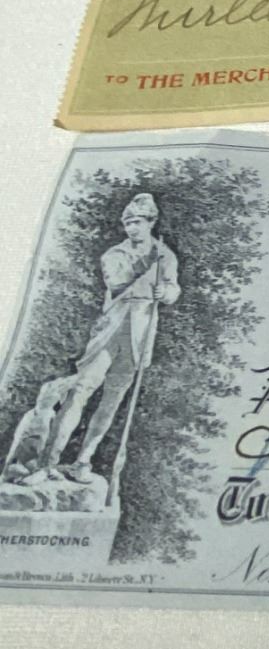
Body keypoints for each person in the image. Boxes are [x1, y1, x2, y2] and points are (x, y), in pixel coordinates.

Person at [43, 191, 180, 483]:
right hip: (110, 331)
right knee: (80, 392)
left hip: (139, 335)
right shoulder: (114, 254)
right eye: (128, 223)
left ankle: (82, 461)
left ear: (151, 222)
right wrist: (151, 274)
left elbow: (173, 287)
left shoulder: (166, 255)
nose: (132, 228)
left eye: (138, 222)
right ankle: (47, 463)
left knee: (112, 401)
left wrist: (166, 293)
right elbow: (118, 284)